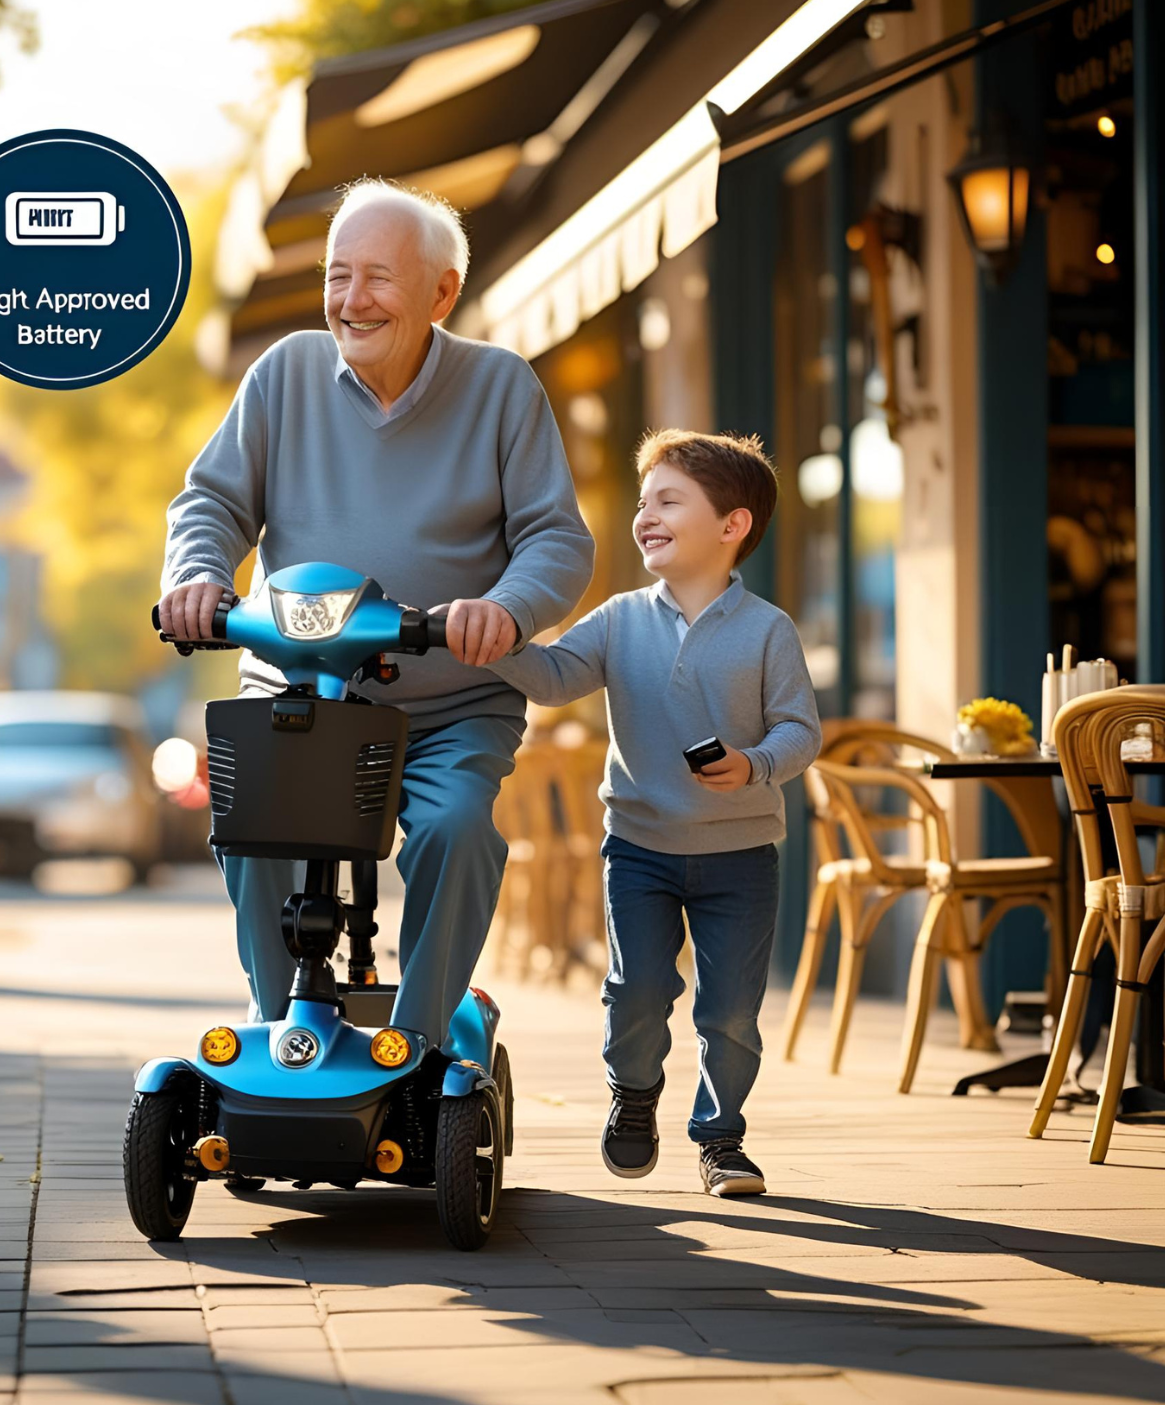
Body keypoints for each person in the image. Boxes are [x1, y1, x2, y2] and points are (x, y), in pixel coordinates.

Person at [158, 178, 594, 1048]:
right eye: (337, 275)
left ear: (441, 293)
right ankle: (284, 1025)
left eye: (378, 278)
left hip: (450, 702)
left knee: (455, 828)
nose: (351, 300)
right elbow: (209, 503)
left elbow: (557, 540)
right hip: (298, 695)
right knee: (252, 825)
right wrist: (200, 574)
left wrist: (505, 610)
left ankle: (421, 1040)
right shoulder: (283, 375)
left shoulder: (502, 388)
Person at [488, 429, 820, 1196]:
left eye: (669, 500)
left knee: (731, 1010)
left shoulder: (769, 630)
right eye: (643, 502)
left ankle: (721, 1139)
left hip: (741, 855)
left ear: (732, 526)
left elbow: (800, 730)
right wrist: (499, 633)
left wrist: (754, 765)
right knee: (637, 989)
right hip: (638, 845)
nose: (646, 515)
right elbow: (552, 676)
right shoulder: (618, 618)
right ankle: (634, 1096)